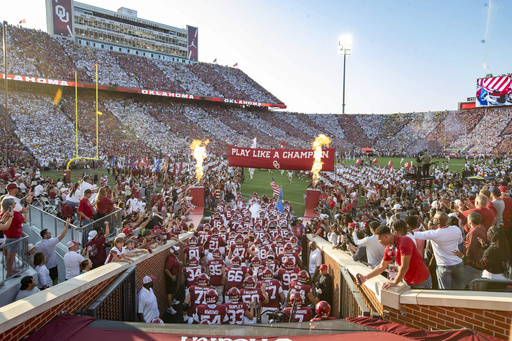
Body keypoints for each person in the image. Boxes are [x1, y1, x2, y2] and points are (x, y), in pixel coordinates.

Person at [356, 225, 431, 289]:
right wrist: (365, 278)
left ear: (386, 236)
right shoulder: (389, 248)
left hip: (421, 280)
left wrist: (395, 282)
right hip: (407, 281)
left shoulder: (404, 242)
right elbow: (381, 266)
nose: (380, 243)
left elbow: (405, 266)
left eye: (380, 240)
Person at [413, 212, 464, 289]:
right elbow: (460, 241)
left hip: (443, 266)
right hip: (458, 263)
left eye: (434, 218)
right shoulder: (456, 229)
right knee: (460, 289)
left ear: (438, 221)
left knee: (445, 292)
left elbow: (415, 234)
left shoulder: (435, 234)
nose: (433, 219)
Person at [35, 217, 70, 285]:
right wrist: (67, 224)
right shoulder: (50, 243)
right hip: (52, 266)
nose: (50, 233)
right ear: (45, 235)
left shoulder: (37, 244)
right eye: (48, 233)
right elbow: (62, 235)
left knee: (43, 282)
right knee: (55, 280)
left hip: (42, 266)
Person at [2, 196, 29, 277]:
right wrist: (25, 212)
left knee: (8, 253)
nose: (16, 204)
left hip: (8, 235)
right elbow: (24, 221)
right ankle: (9, 273)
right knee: (11, 255)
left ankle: (9, 269)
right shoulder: (15, 214)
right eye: (14, 203)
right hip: (15, 236)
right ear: (10, 205)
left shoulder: (3, 213)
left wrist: (20, 212)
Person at [460, 212, 487, 286]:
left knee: (469, 284)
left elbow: (470, 249)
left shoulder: (473, 232)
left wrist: (465, 261)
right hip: (478, 260)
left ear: (471, 221)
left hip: (472, 263)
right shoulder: (482, 228)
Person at [165, 245, 181, 314]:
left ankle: (173, 300)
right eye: (176, 250)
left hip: (175, 276)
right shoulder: (170, 258)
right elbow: (166, 269)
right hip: (171, 278)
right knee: (170, 292)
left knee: (173, 290)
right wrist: (171, 277)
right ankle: (169, 307)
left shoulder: (174, 257)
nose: (177, 251)